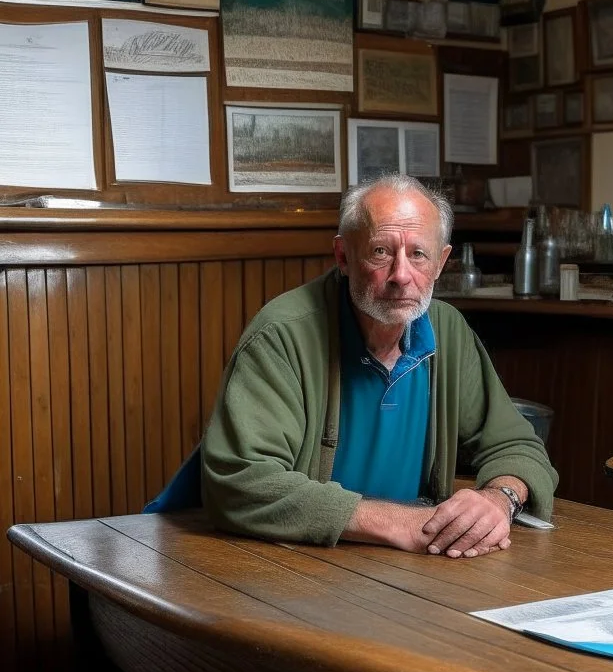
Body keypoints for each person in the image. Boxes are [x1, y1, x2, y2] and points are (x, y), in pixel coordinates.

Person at [201, 174, 557, 558]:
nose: (401, 276)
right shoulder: (282, 335)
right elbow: (240, 481)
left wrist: (498, 498)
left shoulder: (448, 329)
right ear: (343, 257)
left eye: (418, 254)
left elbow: (517, 446)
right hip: (295, 560)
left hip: (414, 563)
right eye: (381, 253)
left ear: (441, 263)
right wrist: (399, 524)